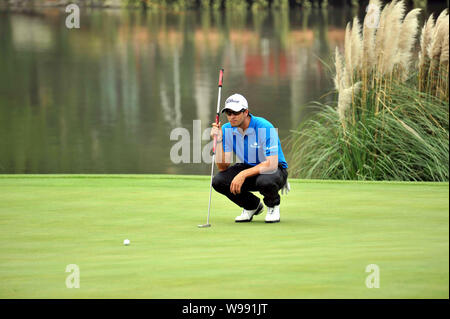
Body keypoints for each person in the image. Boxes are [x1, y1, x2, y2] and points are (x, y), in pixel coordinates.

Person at [210, 93, 289, 223]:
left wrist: (243, 174)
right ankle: (251, 206)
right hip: (249, 166)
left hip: (275, 169)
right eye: (228, 113)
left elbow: (272, 164)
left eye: (235, 112)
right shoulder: (226, 129)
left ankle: (273, 205)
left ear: (246, 112)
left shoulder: (264, 126)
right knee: (219, 181)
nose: (232, 117)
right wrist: (218, 141)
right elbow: (223, 166)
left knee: (265, 181)